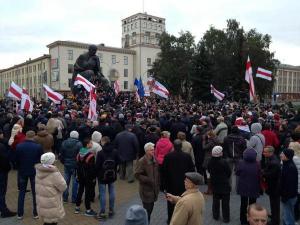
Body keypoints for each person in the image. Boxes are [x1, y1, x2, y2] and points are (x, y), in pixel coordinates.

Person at [162, 139, 195, 223]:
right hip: (184, 185)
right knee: (184, 204)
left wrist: (163, 186)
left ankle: (171, 220)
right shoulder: (187, 156)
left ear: (173, 146)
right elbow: (192, 171)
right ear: (181, 146)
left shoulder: (168, 156)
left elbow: (163, 172)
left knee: (171, 204)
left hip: (171, 185)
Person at [15, 130, 43, 220]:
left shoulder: (19, 146)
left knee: (21, 193)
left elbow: (16, 160)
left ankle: (20, 213)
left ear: (26, 136)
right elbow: (41, 160)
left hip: (22, 171)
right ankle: (35, 213)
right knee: (35, 193)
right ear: (34, 136)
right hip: (34, 171)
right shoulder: (38, 147)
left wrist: (19, 167)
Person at [35, 152, 67, 225]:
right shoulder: (54, 173)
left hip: (42, 203)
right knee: (52, 222)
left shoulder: (38, 171)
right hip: (52, 204)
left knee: (46, 222)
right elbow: (63, 187)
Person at [96, 136, 120, 220]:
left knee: (102, 194)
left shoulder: (100, 153)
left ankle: (102, 211)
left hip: (102, 176)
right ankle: (111, 210)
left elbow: (97, 165)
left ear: (103, 142)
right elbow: (118, 162)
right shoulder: (115, 151)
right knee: (112, 191)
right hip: (112, 175)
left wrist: (96, 174)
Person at [135, 142, 160, 223]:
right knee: (147, 211)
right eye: (152, 150)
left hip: (154, 189)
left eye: (154, 149)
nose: (154, 151)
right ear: (146, 151)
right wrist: (148, 179)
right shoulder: (142, 161)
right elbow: (137, 174)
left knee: (150, 208)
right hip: (146, 190)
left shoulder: (154, 159)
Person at [236, 147, 261, 225]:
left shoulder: (241, 163)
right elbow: (260, 173)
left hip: (243, 186)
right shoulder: (257, 163)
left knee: (243, 204)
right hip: (254, 186)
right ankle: (252, 220)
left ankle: (243, 220)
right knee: (253, 204)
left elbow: (237, 173)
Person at [207, 146, 231, 223]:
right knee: (225, 203)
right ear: (220, 153)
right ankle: (226, 218)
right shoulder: (224, 162)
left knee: (215, 201)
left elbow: (209, 171)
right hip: (224, 184)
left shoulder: (210, 162)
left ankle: (216, 216)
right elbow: (229, 173)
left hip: (215, 184)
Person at [74, 138, 97, 216]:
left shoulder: (79, 153)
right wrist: (94, 177)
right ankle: (88, 209)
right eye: (90, 143)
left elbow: (77, 165)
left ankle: (77, 207)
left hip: (80, 175)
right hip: (88, 177)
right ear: (87, 145)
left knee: (80, 190)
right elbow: (92, 168)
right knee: (87, 192)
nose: (92, 144)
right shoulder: (91, 155)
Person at [60, 131, 82, 203]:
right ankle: (74, 198)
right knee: (75, 182)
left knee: (66, 181)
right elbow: (81, 155)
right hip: (75, 165)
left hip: (67, 164)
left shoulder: (64, 143)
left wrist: (63, 162)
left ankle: (65, 197)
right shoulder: (79, 144)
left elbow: (61, 154)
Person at [262, 146, 281, 225]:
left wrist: (262, 173)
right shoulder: (272, 159)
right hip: (273, 185)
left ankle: (275, 221)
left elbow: (270, 175)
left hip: (274, 186)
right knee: (273, 203)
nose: (263, 153)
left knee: (275, 203)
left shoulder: (273, 163)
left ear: (270, 153)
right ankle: (274, 216)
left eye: (265, 152)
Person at [0, 129, 16, 218]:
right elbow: (4, 160)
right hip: (2, 172)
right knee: (2, 191)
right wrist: (7, 169)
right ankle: (4, 211)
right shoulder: (1, 147)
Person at [280, 148, 298, 225]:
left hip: (289, 196)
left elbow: (289, 184)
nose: (280, 155)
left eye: (282, 154)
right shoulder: (287, 164)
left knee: (288, 216)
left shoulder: (290, 167)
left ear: (287, 156)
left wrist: (285, 196)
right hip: (289, 195)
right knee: (287, 215)